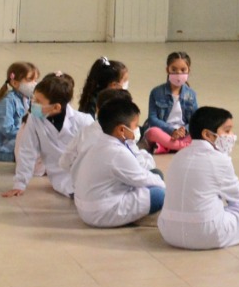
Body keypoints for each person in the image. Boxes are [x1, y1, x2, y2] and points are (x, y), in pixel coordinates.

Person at [160, 106, 239, 249]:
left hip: (169, 233)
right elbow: (237, 198)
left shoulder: (178, 156)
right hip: (205, 235)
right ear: (208, 135)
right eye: (227, 131)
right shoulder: (220, 160)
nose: (232, 135)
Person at [67, 96, 165, 228]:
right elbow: (141, 178)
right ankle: (139, 218)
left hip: (90, 205)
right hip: (100, 212)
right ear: (121, 130)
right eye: (135, 126)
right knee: (159, 194)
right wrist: (168, 190)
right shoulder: (117, 152)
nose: (137, 130)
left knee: (155, 174)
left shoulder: (102, 142)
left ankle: (137, 213)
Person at [2, 72, 95, 199]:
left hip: (88, 172)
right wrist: (20, 184)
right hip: (61, 177)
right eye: (33, 99)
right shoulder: (34, 119)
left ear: (56, 107)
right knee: (84, 195)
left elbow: (97, 152)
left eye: (39, 101)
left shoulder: (84, 121)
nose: (33, 103)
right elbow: (27, 151)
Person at [144, 52, 197, 154]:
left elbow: (195, 120)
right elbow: (152, 118)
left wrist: (184, 131)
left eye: (183, 70)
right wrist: (172, 131)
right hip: (164, 131)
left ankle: (165, 147)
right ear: (167, 69)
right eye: (174, 69)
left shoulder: (191, 94)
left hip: (183, 133)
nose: (178, 73)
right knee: (152, 132)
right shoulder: (156, 92)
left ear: (188, 71)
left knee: (203, 129)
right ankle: (182, 146)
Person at [0, 61, 38, 162]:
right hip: (3, 149)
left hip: (18, 139)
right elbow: (7, 129)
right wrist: (28, 134)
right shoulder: (6, 101)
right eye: (29, 80)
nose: (34, 84)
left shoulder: (27, 98)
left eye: (35, 80)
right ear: (15, 83)